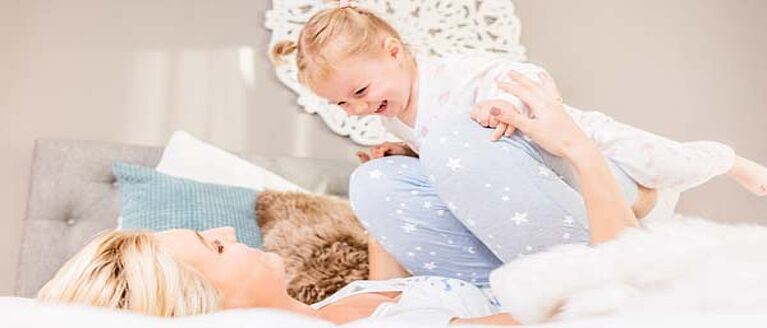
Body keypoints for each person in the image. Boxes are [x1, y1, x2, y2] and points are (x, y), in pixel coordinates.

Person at [40, 62, 651, 326]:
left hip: (497, 270)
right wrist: (577, 148)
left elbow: (395, 271)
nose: (229, 233)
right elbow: (588, 309)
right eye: (215, 248)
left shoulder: (341, 301)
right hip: (583, 285)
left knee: (378, 179)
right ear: (210, 310)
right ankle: (631, 198)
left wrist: (401, 167)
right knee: (464, 146)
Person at [270, 1, 767, 284]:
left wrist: (504, 103)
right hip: (548, 185)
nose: (357, 108)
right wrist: (408, 153)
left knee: (669, 161)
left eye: (360, 91)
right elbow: (453, 156)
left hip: (588, 151)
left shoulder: (452, 74)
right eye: (342, 105)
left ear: (394, 52)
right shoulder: (396, 117)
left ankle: (730, 162)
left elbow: (522, 75)